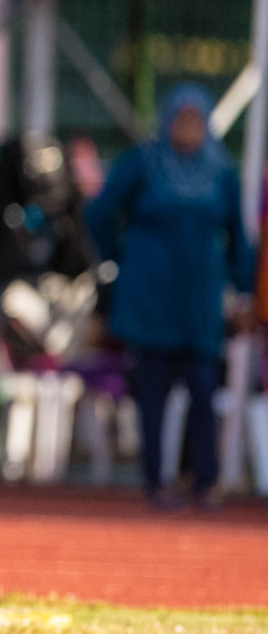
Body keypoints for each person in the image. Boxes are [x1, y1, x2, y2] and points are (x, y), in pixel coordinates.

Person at [85, 84, 255, 509]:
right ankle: (154, 481)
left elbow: (238, 235)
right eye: (182, 120)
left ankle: (202, 481)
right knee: (152, 392)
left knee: (203, 390)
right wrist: (119, 259)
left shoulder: (219, 172)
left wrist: (244, 290)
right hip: (151, 298)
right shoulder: (144, 163)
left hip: (199, 302)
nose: (189, 130)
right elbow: (99, 212)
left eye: (197, 121)